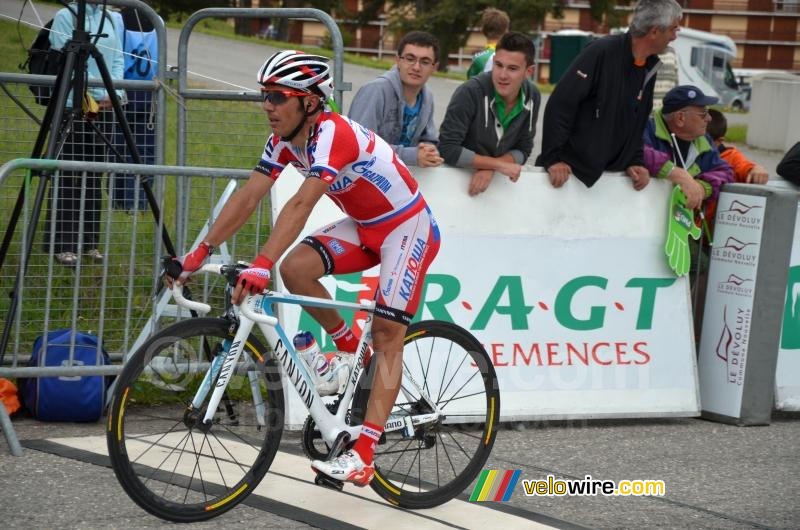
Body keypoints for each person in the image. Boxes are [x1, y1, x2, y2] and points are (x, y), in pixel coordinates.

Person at [173, 51, 441, 487]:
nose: (268, 105)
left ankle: (365, 454)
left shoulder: (331, 133)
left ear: (310, 102)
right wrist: (199, 252)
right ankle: (353, 353)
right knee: (296, 268)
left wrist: (261, 264)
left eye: (278, 96)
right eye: (265, 96)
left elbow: (302, 203)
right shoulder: (283, 139)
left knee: (388, 332)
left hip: (406, 227)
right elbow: (248, 197)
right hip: (365, 225)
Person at [535, 0, 683, 190]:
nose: (674, 36)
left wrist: (635, 161)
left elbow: (637, 121)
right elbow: (561, 104)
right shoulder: (601, 52)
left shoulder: (649, 66)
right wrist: (553, 159)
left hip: (607, 181)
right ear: (654, 31)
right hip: (567, 175)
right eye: (673, 29)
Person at [45, 2, 124, 265]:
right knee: (67, 175)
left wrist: (116, 94)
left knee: (94, 176)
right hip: (71, 107)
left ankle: (89, 242)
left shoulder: (112, 19)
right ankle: (63, 243)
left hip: (104, 109)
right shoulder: (65, 16)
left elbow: (118, 59)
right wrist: (80, 98)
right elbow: (60, 63)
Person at [438, 32, 541, 196]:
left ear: (529, 71)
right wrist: (497, 166)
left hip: (495, 190)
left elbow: (524, 148)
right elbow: (447, 148)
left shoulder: (533, 96)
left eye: (512, 69)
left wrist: (492, 167)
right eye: (498, 65)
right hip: (454, 186)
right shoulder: (469, 92)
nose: (502, 75)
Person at [348, 31, 443, 168]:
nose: (416, 67)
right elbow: (359, 145)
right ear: (398, 60)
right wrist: (411, 156)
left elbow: (429, 139)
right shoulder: (375, 91)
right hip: (363, 177)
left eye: (425, 62)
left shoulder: (427, 97)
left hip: (400, 178)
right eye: (410, 59)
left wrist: (429, 151)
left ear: (434, 67)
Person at [643, 85, 733, 211]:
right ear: (680, 118)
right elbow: (637, 152)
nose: (709, 118)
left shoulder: (704, 139)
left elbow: (725, 172)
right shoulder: (646, 129)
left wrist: (702, 188)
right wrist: (675, 173)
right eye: (704, 114)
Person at [111, 4, 159, 211]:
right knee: (144, 151)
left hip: (123, 88)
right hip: (148, 91)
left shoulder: (116, 19)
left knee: (119, 148)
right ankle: (137, 202)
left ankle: (121, 200)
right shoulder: (157, 21)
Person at [707, 109, 769, 184]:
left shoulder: (732, 157)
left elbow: (745, 166)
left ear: (719, 141)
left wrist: (756, 169)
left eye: (704, 140)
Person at [466, 8, 510, 79]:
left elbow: (470, 86)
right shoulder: (515, 57)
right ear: (506, 31)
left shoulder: (478, 58)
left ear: (483, 30)